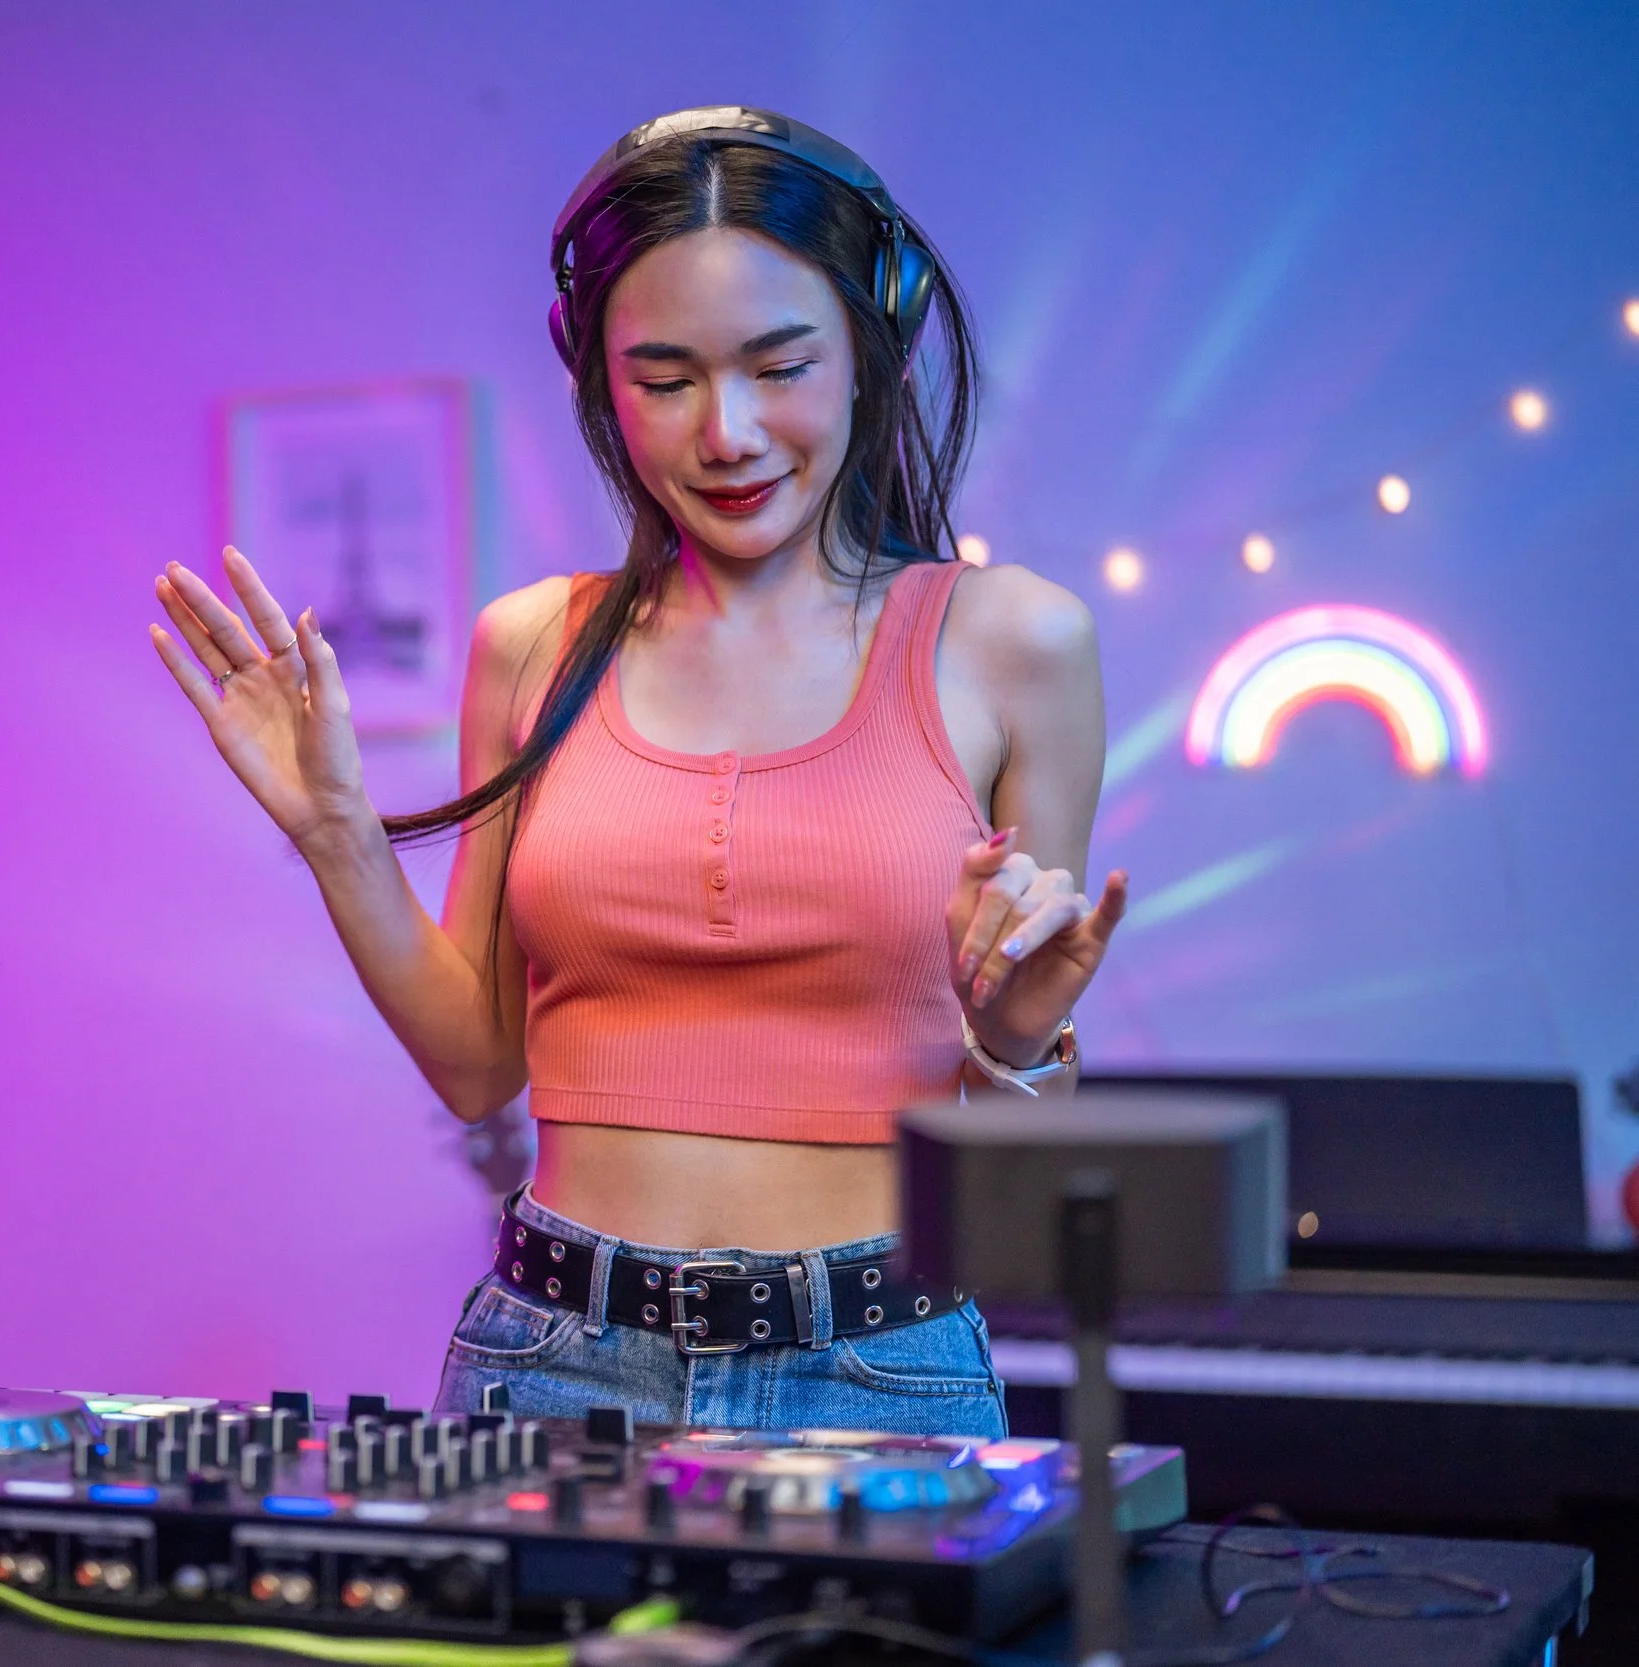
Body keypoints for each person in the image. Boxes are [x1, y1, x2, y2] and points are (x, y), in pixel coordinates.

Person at [149, 109, 1125, 1437]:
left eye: (780, 364)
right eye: (664, 379)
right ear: (596, 378)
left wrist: (1016, 1032)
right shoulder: (530, 643)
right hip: (552, 1352)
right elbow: (477, 1064)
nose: (725, 432)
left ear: (870, 347)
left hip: (877, 1364)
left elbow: (1013, 1185)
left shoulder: (1018, 642)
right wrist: (339, 834)